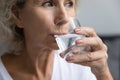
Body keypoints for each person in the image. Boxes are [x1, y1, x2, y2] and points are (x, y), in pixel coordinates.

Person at [0, 0, 113, 80]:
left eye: (68, 4)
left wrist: (103, 74)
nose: (64, 18)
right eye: (48, 3)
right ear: (18, 16)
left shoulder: (81, 64)